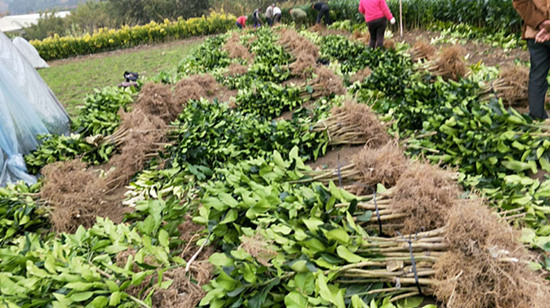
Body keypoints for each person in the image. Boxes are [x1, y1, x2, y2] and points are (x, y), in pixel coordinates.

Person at [513, 0, 550, 119]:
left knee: (537, 76)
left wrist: (540, 23)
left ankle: (537, 117)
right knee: (537, 76)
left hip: (535, 32)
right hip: (538, 32)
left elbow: (520, 2)